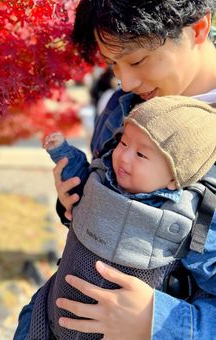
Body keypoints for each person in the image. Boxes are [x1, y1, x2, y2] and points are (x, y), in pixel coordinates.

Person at [14, 0, 216, 339]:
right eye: (113, 64)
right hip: (48, 321)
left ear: (197, 29)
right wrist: (77, 202)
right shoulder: (120, 109)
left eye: (136, 60)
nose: (125, 81)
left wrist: (161, 321)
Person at [23, 96, 216, 339]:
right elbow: (82, 177)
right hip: (45, 319)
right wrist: (63, 153)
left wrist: (157, 318)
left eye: (141, 155)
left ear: (174, 179)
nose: (124, 157)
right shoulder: (105, 174)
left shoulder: (196, 219)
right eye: (123, 143)